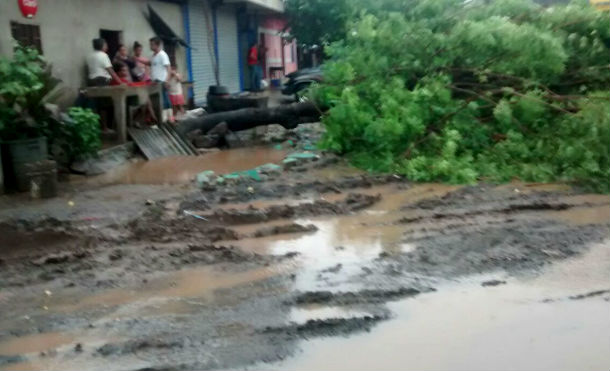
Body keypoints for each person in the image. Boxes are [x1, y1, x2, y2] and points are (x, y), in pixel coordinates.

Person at [148, 36, 171, 120]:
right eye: (150, 44)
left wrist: (167, 80)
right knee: (158, 101)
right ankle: (162, 119)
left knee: (164, 100)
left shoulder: (162, 55)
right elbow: (149, 63)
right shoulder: (153, 56)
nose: (150, 46)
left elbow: (168, 68)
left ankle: (166, 119)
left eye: (152, 44)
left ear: (157, 45)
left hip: (161, 80)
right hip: (155, 81)